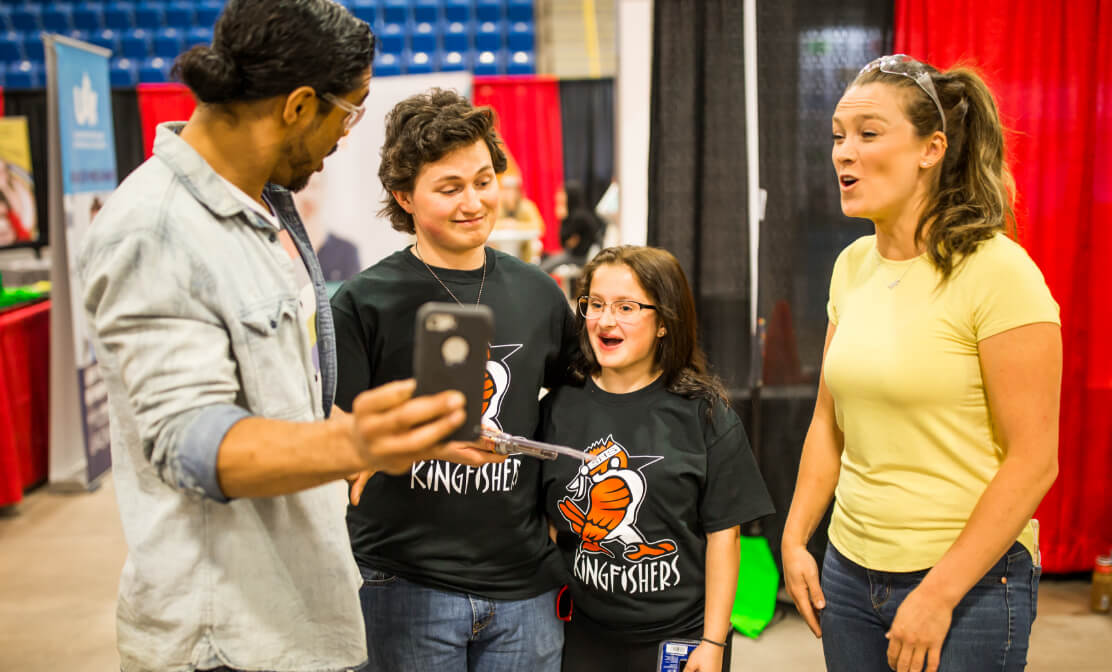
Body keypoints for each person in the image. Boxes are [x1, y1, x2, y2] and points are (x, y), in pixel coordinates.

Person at [77, 3, 497, 671]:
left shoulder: (251, 211)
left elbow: (272, 406)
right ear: (300, 106)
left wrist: (380, 439)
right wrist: (356, 442)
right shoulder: (155, 230)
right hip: (226, 642)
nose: (345, 137)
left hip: (291, 615)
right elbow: (192, 441)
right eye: (349, 113)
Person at [781, 54, 1061, 672]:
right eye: (838, 136)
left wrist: (939, 594)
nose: (844, 153)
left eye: (868, 134)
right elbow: (829, 419)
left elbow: (1034, 459)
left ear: (931, 149)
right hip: (849, 574)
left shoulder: (999, 272)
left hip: (970, 583)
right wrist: (796, 535)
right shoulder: (852, 266)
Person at [330, 88, 577, 671]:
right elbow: (338, 436)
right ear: (404, 196)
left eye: (484, 181)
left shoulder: (538, 292)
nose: (474, 202)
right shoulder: (363, 302)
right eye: (449, 188)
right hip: (405, 581)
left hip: (524, 583)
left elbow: (576, 402)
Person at [539, 245, 774, 672]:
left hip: (680, 636)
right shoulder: (558, 407)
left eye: (626, 307)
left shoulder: (704, 413)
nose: (605, 320)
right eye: (595, 304)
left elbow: (725, 537)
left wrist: (713, 642)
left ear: (664, 322)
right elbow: (551, 526)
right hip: (582, 634)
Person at [539, 182, 604, 273]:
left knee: (544, 268)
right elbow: (567, 242)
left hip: (579, 257)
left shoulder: (579, 217)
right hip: (573, 254)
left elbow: (565, 240)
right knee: (545, 258)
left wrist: (563, 218)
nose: (559, 196)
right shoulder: (578, 214)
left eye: (562, 193)